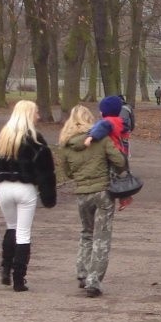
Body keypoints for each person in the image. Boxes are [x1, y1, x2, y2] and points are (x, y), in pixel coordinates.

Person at [0, 100, 56, 291]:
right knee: (23, 232)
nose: (39, 116)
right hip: (25, 188)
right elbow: (46, 171)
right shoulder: (36, 139)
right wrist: (48, 196)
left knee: (11, 227)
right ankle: (19, 278)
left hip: (3, 188)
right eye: (36, 112)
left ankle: (5, 268)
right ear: (30, 114)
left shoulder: (2, 137)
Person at [59, 105, 126, 297]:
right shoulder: (101, 139)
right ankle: (94, 280)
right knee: (102, 236)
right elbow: (119, 162)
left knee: (86, 232)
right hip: (103, 191)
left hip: (82, 192)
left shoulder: (66, 144)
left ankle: (82, 271)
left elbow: (67, 172)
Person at [84, 95, 133, 210]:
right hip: (121, 151)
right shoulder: (118, 121)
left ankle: (122, 197)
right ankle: (124, 198)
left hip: (112, 152)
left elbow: (100, 128)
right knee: (121, 175)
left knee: (113, 175)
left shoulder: (107, 122)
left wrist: (90, 137)